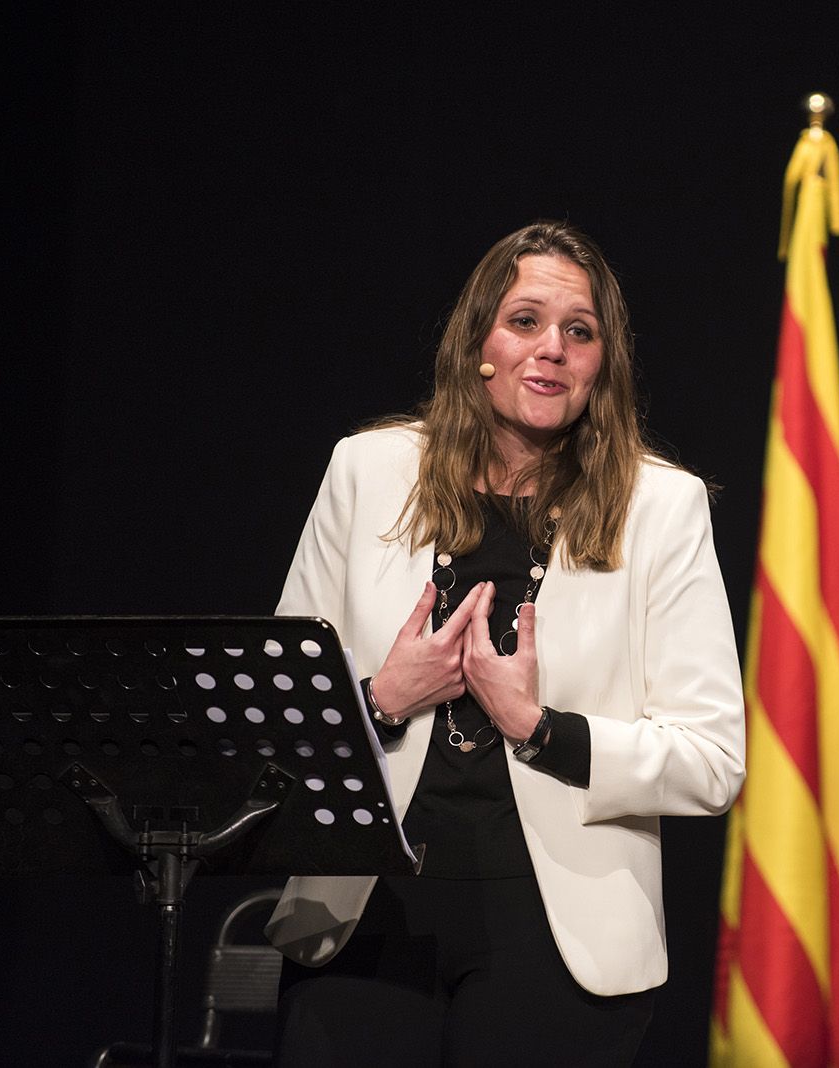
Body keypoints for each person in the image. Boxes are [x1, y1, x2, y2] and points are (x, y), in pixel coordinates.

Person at [265, 221, 746, 1066]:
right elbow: (277, 716)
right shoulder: (365, 470)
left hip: (562, 935)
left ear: (603, 365)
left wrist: (541, 726)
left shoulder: (661, 508)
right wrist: (381, 700)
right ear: (478, 341)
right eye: (525, 320)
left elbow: (712, 760)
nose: (551, 349)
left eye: (579, 331)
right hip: (364, 915)